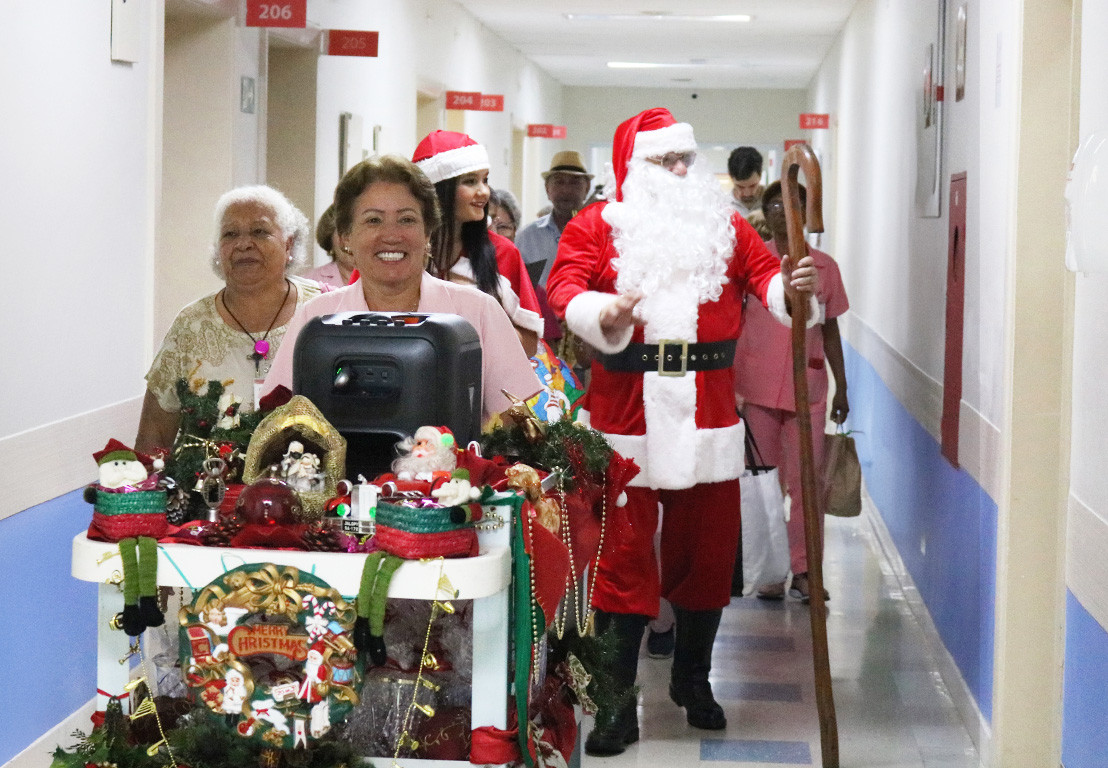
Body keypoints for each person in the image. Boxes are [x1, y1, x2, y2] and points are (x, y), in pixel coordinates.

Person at [545, 107, 819, 756]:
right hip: (625, 418)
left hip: (709, 416)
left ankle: (692, 680)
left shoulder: (723, 227)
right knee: (621, 562)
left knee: (706, 560)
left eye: (684, 161)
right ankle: (617, 703)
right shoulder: (597, 224)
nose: (678, 171)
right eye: (665, 161)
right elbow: (563, 286)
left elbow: (765, 277)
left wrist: (790, 285)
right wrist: (599, 310)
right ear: (633, 168)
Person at [263, 155, 540, 424]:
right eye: (373, 220)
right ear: (346, 236)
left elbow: (514, 425)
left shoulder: (478, 310)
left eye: (406, 220)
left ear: (428, 232)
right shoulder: (317, 317)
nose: (392, 235)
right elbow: (277, 418)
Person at [136, 185, 324, 453]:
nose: (244, 244)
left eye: (260, 231)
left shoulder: (323, 310)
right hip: (208, 488)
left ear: (288, 244)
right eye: (230, 234)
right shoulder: (191, 324)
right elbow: (153, 435)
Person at [734, 180, 850, 602]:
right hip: (757, 388)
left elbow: (831, 328)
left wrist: (842, 386)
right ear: (766, 211)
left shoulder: (824, 267)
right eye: (774, 203)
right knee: (764, 484)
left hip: (810, 388)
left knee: (807, 483)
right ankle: (769, 569)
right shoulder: (752, 263)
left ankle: (804, 569)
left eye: (792, 202)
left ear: (806, 208)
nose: (783, 209)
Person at [412, 130, 543, 356]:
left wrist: (476, 316)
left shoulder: (502, 252)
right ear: (438, 189)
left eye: (485, 180)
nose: (484, 192)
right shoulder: (403, 249)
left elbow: (530, 344)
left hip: (483, 386)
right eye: (470, 181)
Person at [515, 150, 593, 288]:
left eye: (574, 183)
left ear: (587, 188)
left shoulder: (598, 235)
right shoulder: (527, 237)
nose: (566, 190)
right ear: (547, 189)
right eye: (559, 182)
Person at [305, 204, 356, 287]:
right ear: (329, 238)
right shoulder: (310, 282)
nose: (349, 241)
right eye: (344, 233)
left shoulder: (382, 279)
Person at [727, 146, 771, 240]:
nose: (747, 193)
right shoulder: (723, 206)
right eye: (740, 187)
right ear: (731, 178)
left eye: (752, 186)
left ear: (760, 176)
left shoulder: (774, 201)